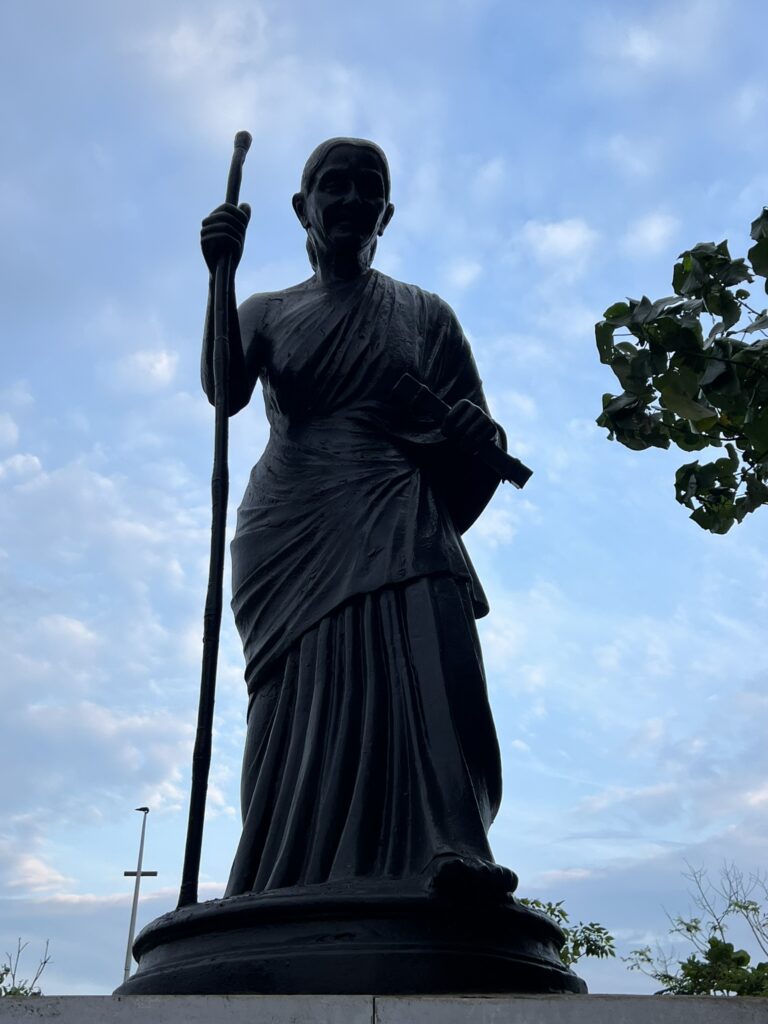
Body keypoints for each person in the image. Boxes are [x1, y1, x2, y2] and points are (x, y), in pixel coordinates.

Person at [200, 137, 516, 900]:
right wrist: (220, 274)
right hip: (292, 519)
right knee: (290, 707)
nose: (348, 199)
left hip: (401, 509)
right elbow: (223, 389)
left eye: (365, 187)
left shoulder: (425, 313)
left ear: (387, 210)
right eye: (330, 186)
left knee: (436, 673)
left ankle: (449, 849)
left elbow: (480, 433)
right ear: (302, 207)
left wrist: (479, 439)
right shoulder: (266, 309)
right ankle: (277, 876)